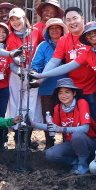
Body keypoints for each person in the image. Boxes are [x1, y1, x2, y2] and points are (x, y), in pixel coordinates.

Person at [32, 22, 96, 117]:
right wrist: (41, 75)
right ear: (86, 38)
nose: (93, 35)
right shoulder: (88, 53)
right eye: (89, 33)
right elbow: (68, 67)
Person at [42, 7, 96, 125]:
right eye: (68, 20)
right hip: (73, 90)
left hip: (94, 88)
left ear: (82, 18)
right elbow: (54, 61)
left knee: (94, 122)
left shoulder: (92, 35)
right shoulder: (63, 40)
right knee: (73, 122)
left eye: (75, 18)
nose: (72, 22)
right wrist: (40, 78)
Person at [33, 78, 96, 175]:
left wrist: (61, 129)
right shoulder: (58, 108)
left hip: (90, 142)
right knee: (51, 154)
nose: (63, 96)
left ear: (74, 93)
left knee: (77, 135)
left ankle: (83, 164)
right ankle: (74, 162)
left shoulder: (81, 103)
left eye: (67, 92)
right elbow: (53, 127)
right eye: (60, 93)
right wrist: (33, 124)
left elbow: (85, 129)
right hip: (72, 143)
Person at [5, 7, 42, 143]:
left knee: (31, 102)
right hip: (16, 72)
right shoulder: (9, 35)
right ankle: (17, 135)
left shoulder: (35, 32)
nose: (16, 22)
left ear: (24, 19)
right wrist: (17, 67)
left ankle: (27, 134)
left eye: (18, 19)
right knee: (16, 102)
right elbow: (9, 56)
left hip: (32, 72)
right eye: (12, 20)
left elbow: (43, 47)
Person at [30, 18, 67, 149]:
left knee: (66, 115)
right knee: (48, 116)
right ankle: (49, 144)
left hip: (66, 87)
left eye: (58, 27)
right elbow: (36, 65)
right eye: (52, 28)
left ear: (62, 30)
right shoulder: (43, 46)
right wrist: (34, 73)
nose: (55, 30)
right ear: (47, 32)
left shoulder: (68, 44)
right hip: (47, 88)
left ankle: (66, 144)